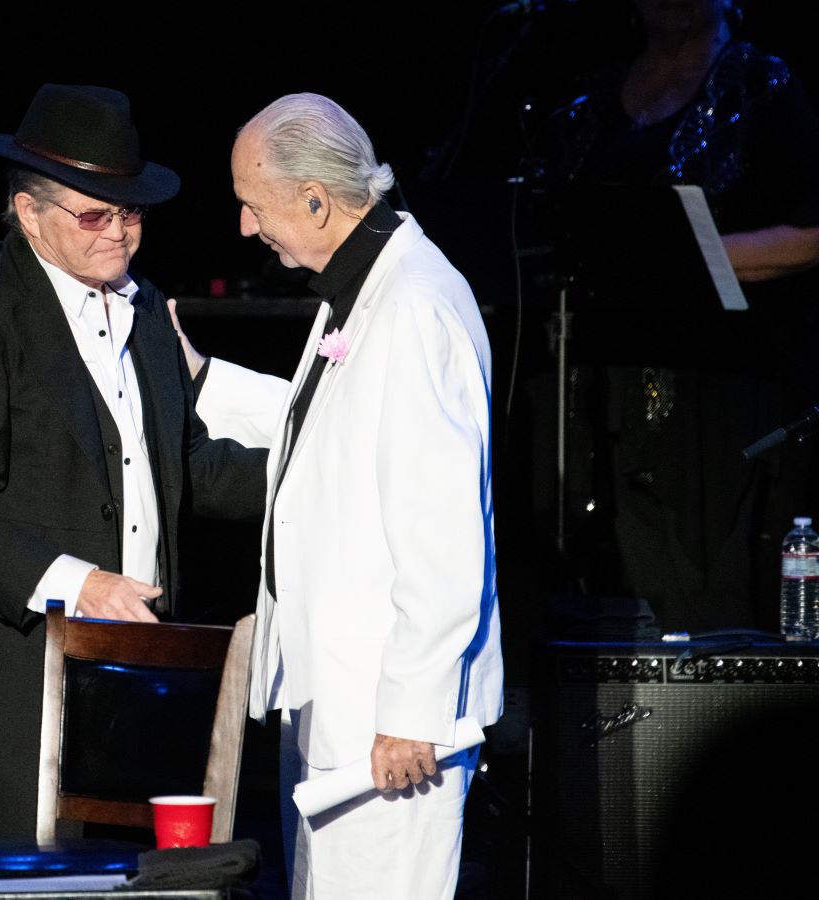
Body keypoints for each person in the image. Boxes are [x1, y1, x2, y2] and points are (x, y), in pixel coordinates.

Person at [0, 84, 266, 869]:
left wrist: (311, 474)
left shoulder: (145, 309)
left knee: (124, 875)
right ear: (28, 213)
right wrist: (80, 584)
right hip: (9, 681)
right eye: (95, 215)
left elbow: (181, 462)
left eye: (132, 214)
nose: (119, 233)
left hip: (127, 684)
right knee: (13, 876)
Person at [178, 93, 503, 899]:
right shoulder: (363, 289)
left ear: (316, 202)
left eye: (254, 207)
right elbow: (327, 422)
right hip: (341, 706)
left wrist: (414, 711)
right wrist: (204, 380)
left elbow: (443, 532)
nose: (247, 228)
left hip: (388, 730)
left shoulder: (415, 308)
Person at [533, 0, 819, 632]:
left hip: (724, 385)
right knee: (603, 582)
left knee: (705, 584)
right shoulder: (592, 98)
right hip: (603, 379)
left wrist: (688, 256)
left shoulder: (764, 85)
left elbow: (812, 231)